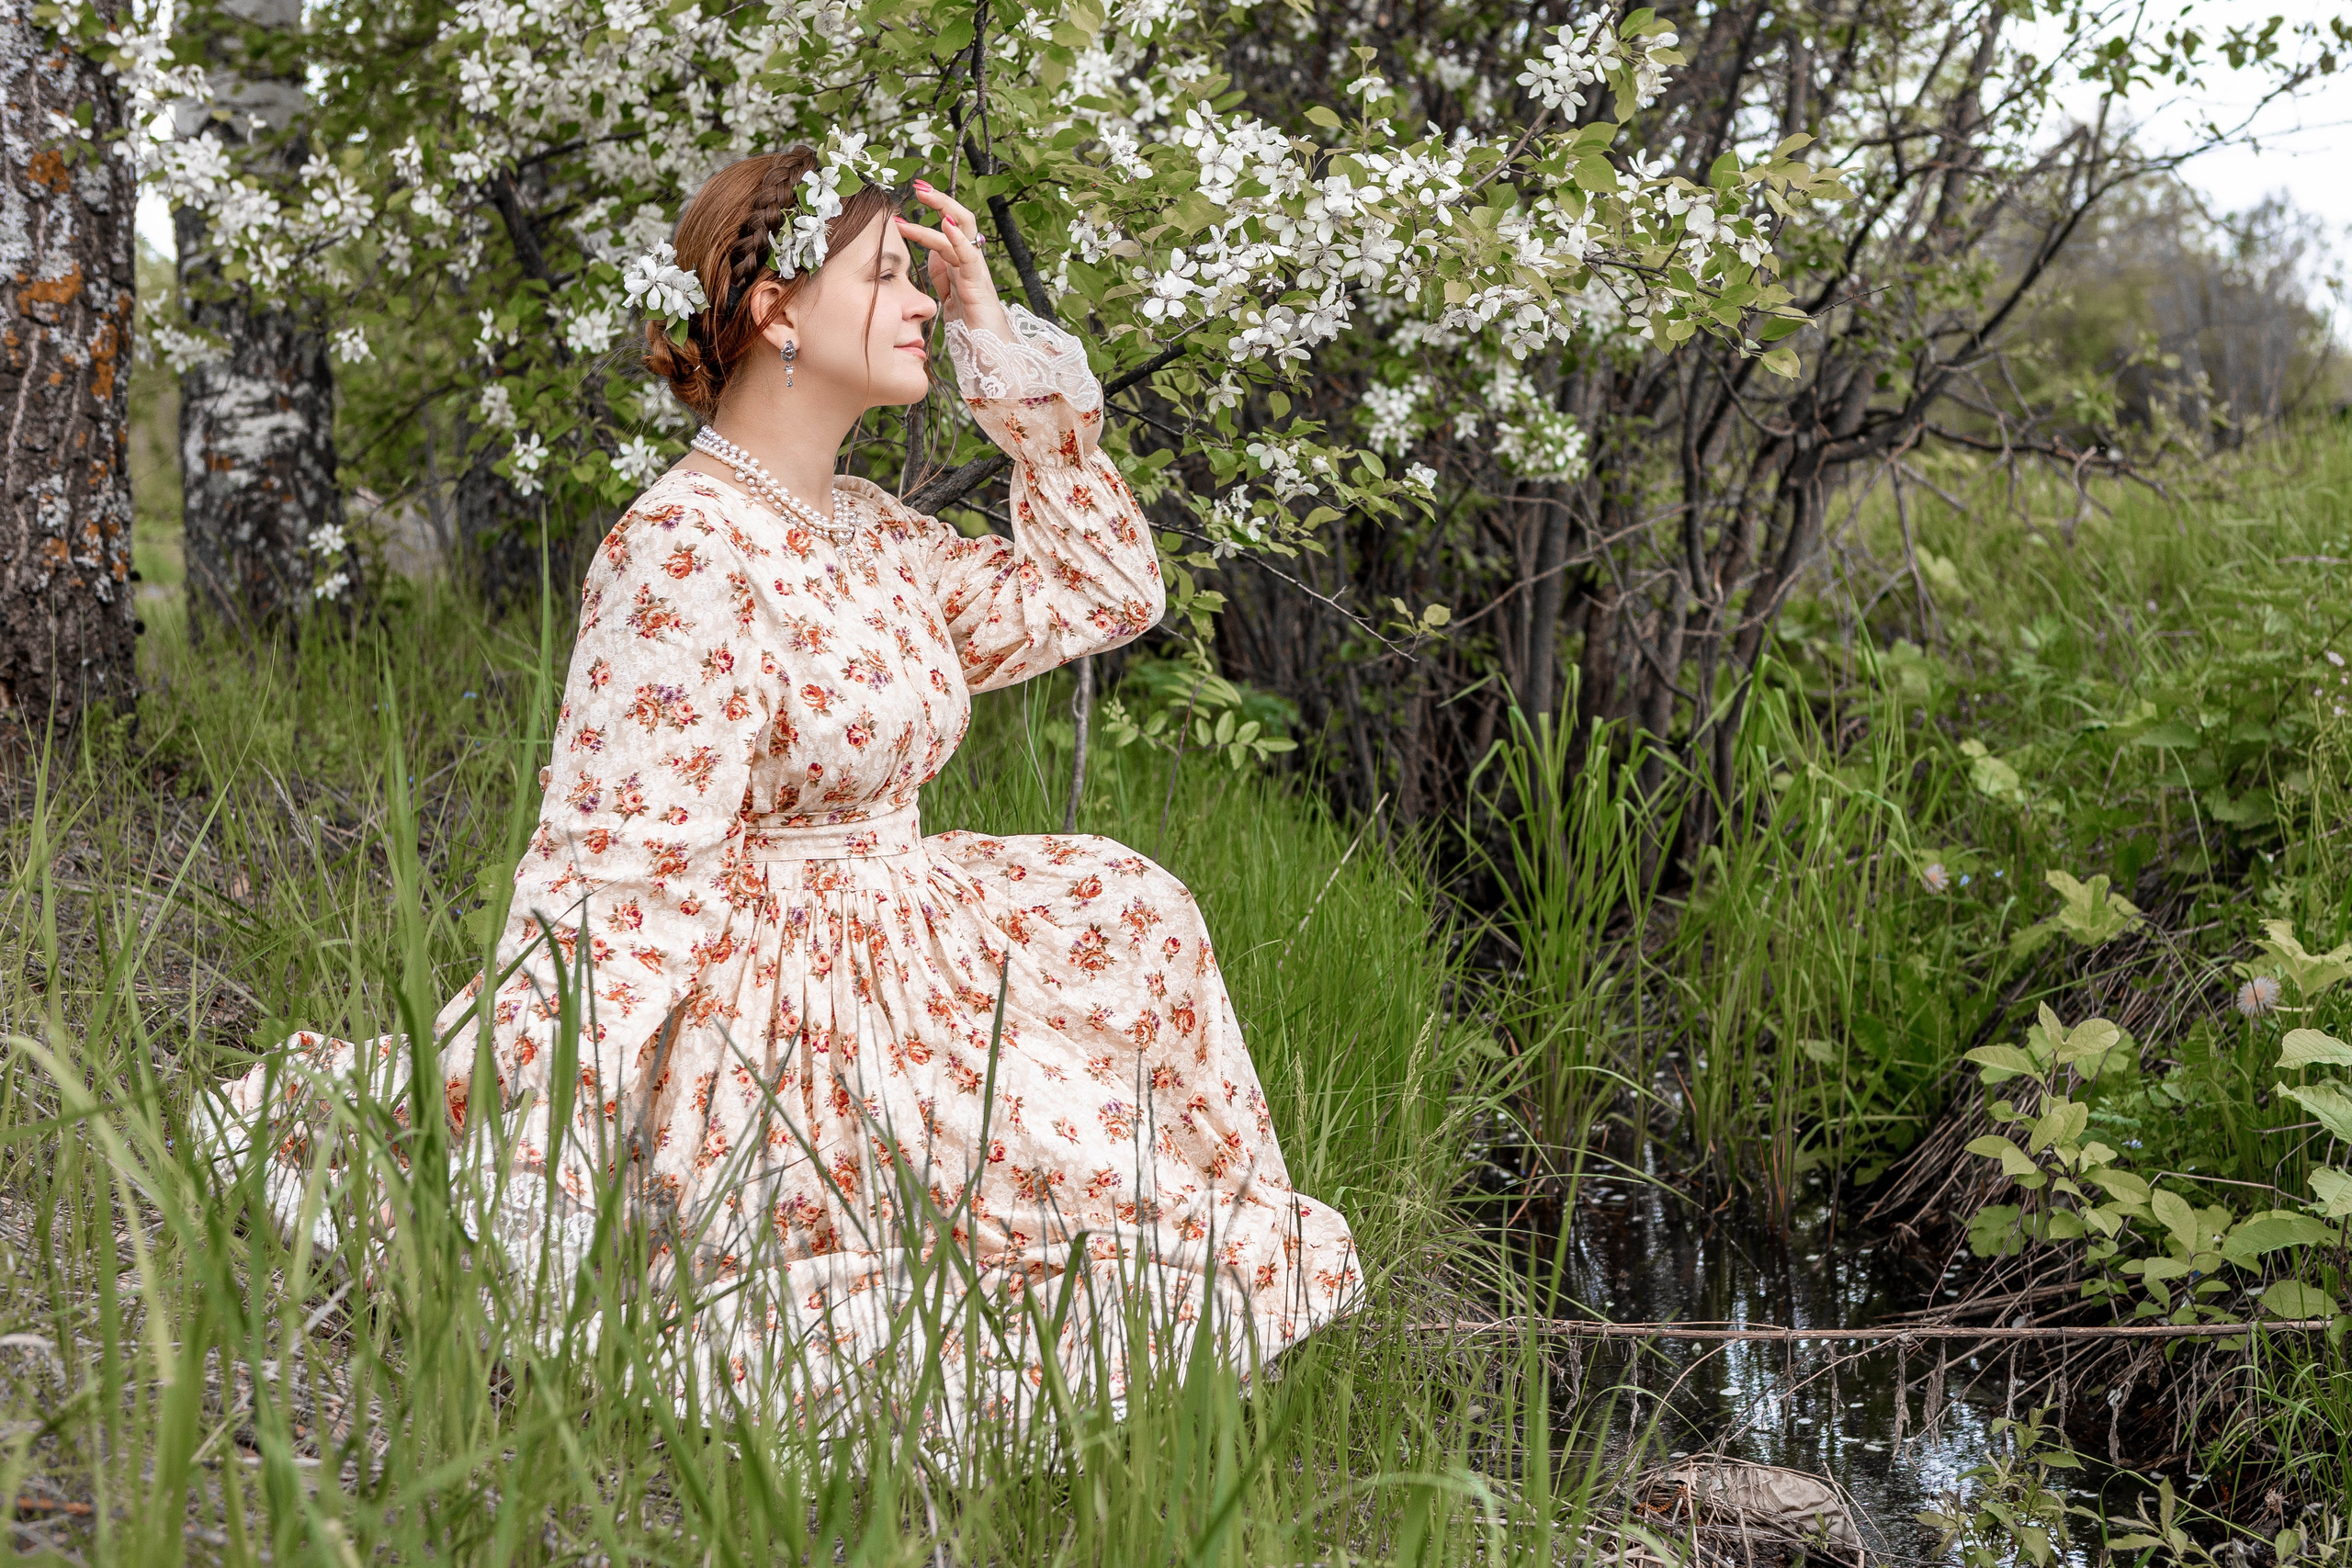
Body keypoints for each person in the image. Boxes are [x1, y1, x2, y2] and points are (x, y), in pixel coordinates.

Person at [203, 148, 1363, 1448]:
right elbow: (615, 884)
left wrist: (998, 345)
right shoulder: (682, 550)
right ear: (775, 309)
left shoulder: (866, 527)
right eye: (890, 276)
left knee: (1130, 912)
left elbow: (1102, 593)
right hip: (790, 1009)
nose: (925, 302)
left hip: (911, 942)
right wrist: (537, 1150)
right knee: (1076, 1290)